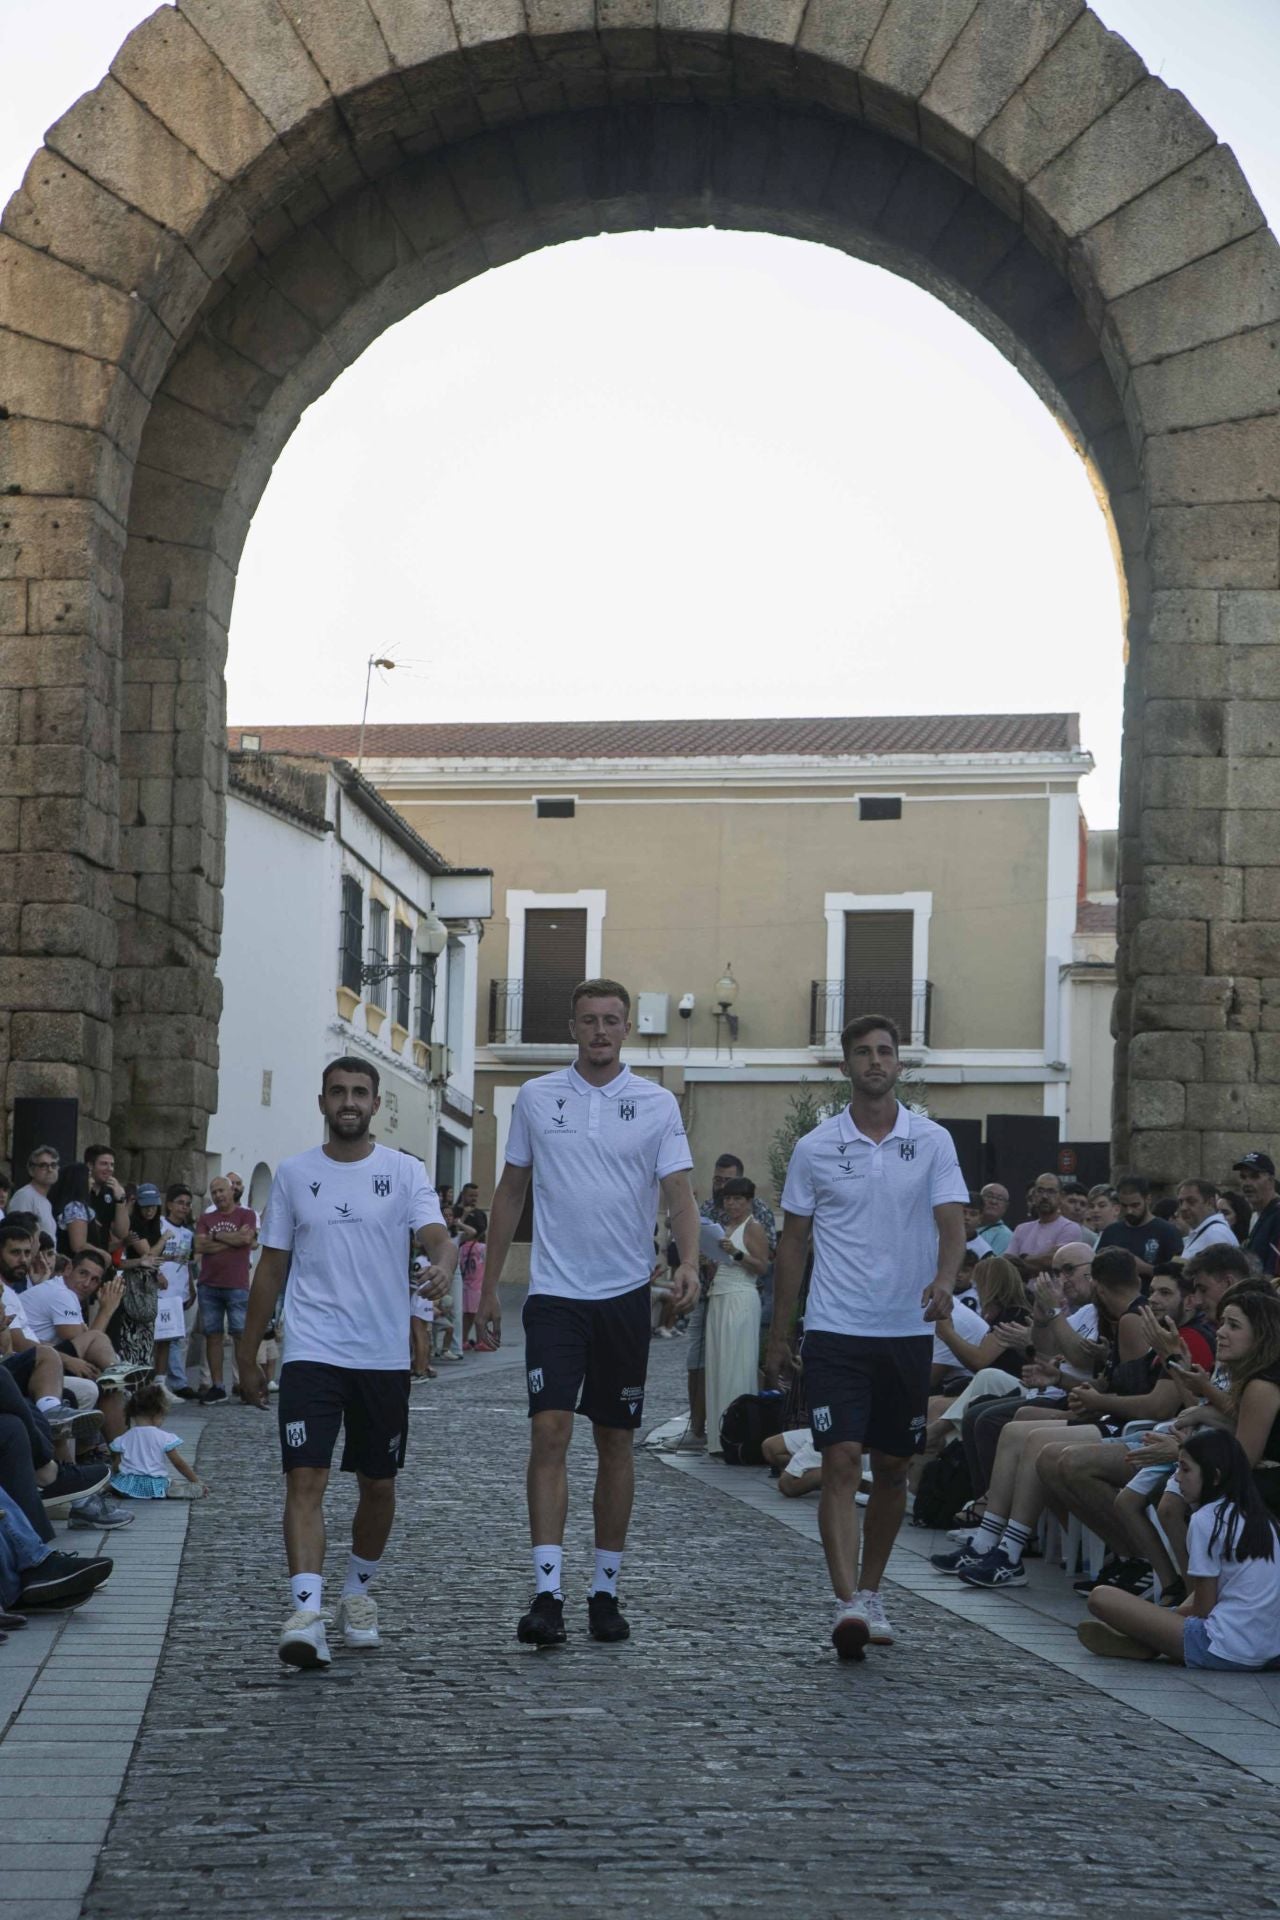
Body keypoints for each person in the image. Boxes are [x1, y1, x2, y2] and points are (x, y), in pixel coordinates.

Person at [477, 979, 700, 1649]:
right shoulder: (539, 1099)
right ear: (571, 1027)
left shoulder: (657, 1103)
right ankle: (548, 1592)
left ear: (626, 1028)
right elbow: (511, 1193)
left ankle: (606, 1590)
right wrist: (487, 1288)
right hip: (554, 1296)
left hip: (624, 1298)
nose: (600, 1031)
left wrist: (688, 1261)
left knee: (615, 1441)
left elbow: (681, 1196)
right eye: (588, 1020)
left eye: (611, 1020)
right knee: (549, 1432)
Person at [238, 1061, 454, 1669]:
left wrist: (444, 1261)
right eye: (339, 1092)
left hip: (380, 1355)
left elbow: (437, 1236)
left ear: (376, 1103)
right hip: (312, 1350)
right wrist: (247, 1349)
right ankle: (306, 1611)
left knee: (377, 1485)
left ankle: (357, 1594)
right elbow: (272, 1267)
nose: (349, 1102)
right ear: (322, 1101)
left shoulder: (405, 1171)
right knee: (305, 1479)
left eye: (360, 1093)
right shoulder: (295, 1174)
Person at [764, 1012, 966, 1659]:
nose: (875, 1061)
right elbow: (793, 1242)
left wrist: (944, 1279)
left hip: (905, 1330)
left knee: (894, 1466)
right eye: (863, 1052)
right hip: (835, 1328)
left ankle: (874, 1591)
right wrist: (780, 1330)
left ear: (899, 1064)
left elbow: (952, 1222)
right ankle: (847, 1599)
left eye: (885, 1051)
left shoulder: (931, 1141)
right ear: (847, 1064)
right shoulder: (816, 1147)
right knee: (841, 1460)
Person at [1080, 1428, 1280, 1668]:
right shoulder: (1264, 1519)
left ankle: (1145, 1639)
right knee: (1195, 1592)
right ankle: (1145, 1641)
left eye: (1185, 1469)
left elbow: (1204, 1610)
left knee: (1101, 1596)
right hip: (1268, 1650)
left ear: (1214, 1477)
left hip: (1220, 1646)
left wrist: (1156, 1619)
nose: (1176, 1478)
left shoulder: (1206, 1520)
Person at [704, 1178, 769, 1455]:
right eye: (728, 1199)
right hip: (720, 1295)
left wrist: (737, 1253)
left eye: (737, 1199)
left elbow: (762, 1266)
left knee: (736, 1363)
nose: (731, 1204)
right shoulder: (724, 1228)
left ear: (748, 1201)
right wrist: (710, 1261)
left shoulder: (753, 1228)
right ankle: (718, 1435)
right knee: (718, 1363)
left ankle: (738, 1431)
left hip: (741, 1298)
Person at [194, 1175, 258, 1404]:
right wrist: (234, 1240)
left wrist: (217, 1236)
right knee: (213, 1336)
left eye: (222, 1190)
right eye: (214, 1192)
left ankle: (245, 1384)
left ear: (232, 1191)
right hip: (209, 1284)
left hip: (237, 1285)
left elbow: (246, 1238)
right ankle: (218, 1386)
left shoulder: (247, 1214)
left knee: (240, 1335)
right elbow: (200, 1245)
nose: (218, 1195)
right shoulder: (205, 1217)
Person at [108, 1382, 208, 1500]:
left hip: (129, 1485)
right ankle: (173, 1489)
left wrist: (112, 1478)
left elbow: (117, 1465)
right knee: (168, 1482)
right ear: (157, 1414)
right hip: (155, 1485)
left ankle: (106, 1488)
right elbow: (178, 1463)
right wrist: (196, 1481)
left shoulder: (124, 1438)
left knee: (116, 1483)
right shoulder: (164, 1437)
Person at [1095, 1176, 1182, 1276]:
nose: (1129, 1211)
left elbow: (1178, 1270)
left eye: (1135, 1205)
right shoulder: (1111, 1232)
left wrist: (1146, 1269)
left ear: (1148, 1199)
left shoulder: (1167, 1232)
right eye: (1124, 1205)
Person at [154, 1186, 196, 1394]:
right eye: (180, 1202)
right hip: (160, 1291)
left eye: (188, 1204)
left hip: (179, 1292)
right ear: (169, 1204)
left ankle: (173, 1382)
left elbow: (186, 1262)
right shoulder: (159, 1225)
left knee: (175, 1338)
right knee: (159, 1337)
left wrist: (191, 1286)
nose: (184, 1207)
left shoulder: (188, 1234)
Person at [1007, 1175, 1078, 1276]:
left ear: (1061, 1197)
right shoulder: (1021, 1229)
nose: (1044, 1196)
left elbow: (1053, 1260)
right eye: (1040, 1191)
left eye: (1051, 1191)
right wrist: (1036, 1262)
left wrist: (1022, 1258)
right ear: (1034, 1195)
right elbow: (1007, 1262)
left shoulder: (1069, 1227)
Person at [1235, 1151, 1280, 1277]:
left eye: (1255, 1176)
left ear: (1271, 1181)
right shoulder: (1258, 1216)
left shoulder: (1277, 1217)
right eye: (1243, 1177)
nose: (1247, 1183)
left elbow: (1274, 1274)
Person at [1175, 1178, 1240, 1257]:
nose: (1183, 1208)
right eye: (1181, 1202)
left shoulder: (1215, 1234)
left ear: (1210, 1203)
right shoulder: (1206, 1231)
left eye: (1191, 1201)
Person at [8, 1146, 60, 1244]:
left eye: (53, 1165)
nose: (50, 1169)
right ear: (31, 1171)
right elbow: (19, 1235)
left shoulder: (46, 1202)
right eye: (43, 1165)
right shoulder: (24, 1196)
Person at [460, 1211, 488, 1350]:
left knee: (467, 1316)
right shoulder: (482, 1248)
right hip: (478, 1286)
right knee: (479, 1315)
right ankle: (480, 1341)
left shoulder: (463, 1247)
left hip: (466, 1285)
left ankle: (463, 1340)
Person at [977, 1184, 1012, 1256]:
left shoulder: (1005, 1235)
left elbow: (991, 1265)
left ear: (1006, 1206)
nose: (993, 1201)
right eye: (989, 1196)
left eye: (1000, 1199)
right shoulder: (964, 1226)